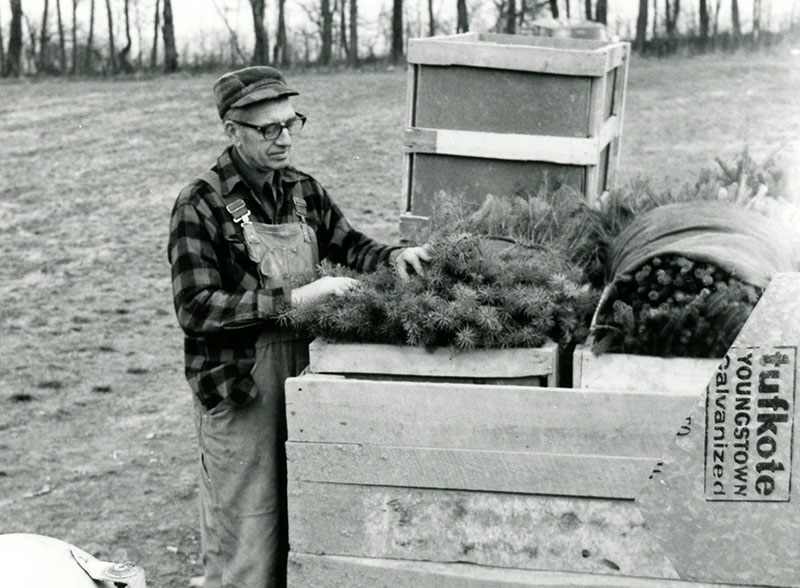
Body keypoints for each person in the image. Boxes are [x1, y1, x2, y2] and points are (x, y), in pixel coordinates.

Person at [167, 66, 429, 588]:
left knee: (302, 525)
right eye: (269, 129)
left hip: (303, 381)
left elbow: (350, 246)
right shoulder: (202, 203)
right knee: (245, 540)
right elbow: (196, 309)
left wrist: (398, 257)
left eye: (292, 124)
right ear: (232, 130)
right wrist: (297, 297)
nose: (285, 138)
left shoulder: (303, 191)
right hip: (243, 387)